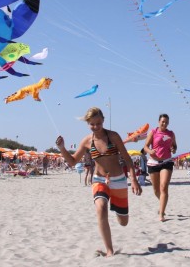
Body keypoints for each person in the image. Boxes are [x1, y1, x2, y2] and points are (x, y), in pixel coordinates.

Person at [55, 107, 141, 257]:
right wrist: (62, 148)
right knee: (101, 208)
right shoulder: (87, 141)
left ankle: (118, 211)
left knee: (123, 221)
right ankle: (109, 250)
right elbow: (73, 161)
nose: (95, 127)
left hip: (118, 179)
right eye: (92, 124)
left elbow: (127, 159)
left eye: (98, 123)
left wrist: (134, 180)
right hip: (99, 179)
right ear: (88, 124)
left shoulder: (113, 136)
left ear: (103, 121)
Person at [143, 113, 177, 222]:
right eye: (163, 121)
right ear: (159, 122)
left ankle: (161, 214)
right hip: (153, 162)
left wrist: (173, 149)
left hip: (166, 162)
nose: (164, 124)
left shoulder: (171, 134)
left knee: (163, 187)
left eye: (166, 122)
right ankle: (162, 202)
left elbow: (174, 146)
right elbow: (145, 147)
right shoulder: (153, 132)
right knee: (156, 190)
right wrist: (150, 151)